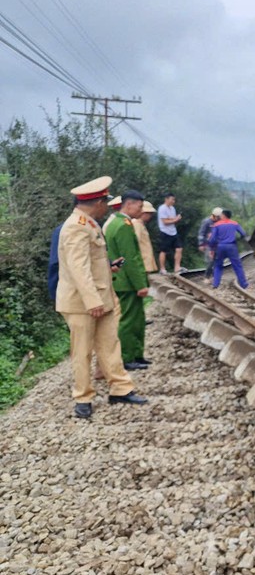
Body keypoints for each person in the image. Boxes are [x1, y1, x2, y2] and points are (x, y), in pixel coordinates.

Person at [56, 175, 147, 419]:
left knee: (110, 346)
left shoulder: (89, 223)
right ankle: (83, 397)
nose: (107, 206)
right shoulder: (76, 226)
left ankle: (120, 388)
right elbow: (78, 268)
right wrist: (92, 301)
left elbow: (91, 262)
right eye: (105, 202)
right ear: (97, 203)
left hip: (100, 299)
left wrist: (108, 267)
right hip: (82, 303)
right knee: (82, 351)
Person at [106, 190, 151, 370]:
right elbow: (130, 258)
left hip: (126, 280)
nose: (141, 211)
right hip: (127, 282)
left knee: (138, 318)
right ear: (129, 204)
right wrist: (140, 284)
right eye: (139, 207)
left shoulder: (118, 222)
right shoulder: (123, 225)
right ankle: (127, 357)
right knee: (128, 320)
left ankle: (137, 354)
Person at [208, 209, 250, 289]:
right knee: (237, 266)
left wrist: (211, 249)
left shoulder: (217, 225)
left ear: (223, 215)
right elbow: (243, 234)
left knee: (218, 265)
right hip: (232, 247)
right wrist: (238, 239)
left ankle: (215, 284)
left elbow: (212, 239)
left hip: (220, 247)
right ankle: (244, 284)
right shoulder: (234, 223)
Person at [157, 192, 184, 274]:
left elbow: (171, 219)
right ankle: (162, 269)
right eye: (172, 199)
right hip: (165, 231)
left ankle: (177, 267)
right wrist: (175, 219)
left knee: (179, 248)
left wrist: (175, 219)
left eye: (174, 200)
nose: (173, 201)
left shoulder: (172, 208)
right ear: (166, 199)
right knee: (163, 251)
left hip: (173, 231)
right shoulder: (162, 208)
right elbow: (165, 221)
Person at [198, 207, 223, 283]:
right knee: (210, 261)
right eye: (219, 217)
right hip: (207, 244)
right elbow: (201, 233)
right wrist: (201, 244)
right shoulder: (206, 222)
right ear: (214, 215)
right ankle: (206, 277)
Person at [133, 201, 158, 273]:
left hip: (146, 259)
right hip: (142, 260)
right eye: (149, 213)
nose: (150, 216)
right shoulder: (136, 224)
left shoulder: (141, 224)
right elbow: (136, 241)